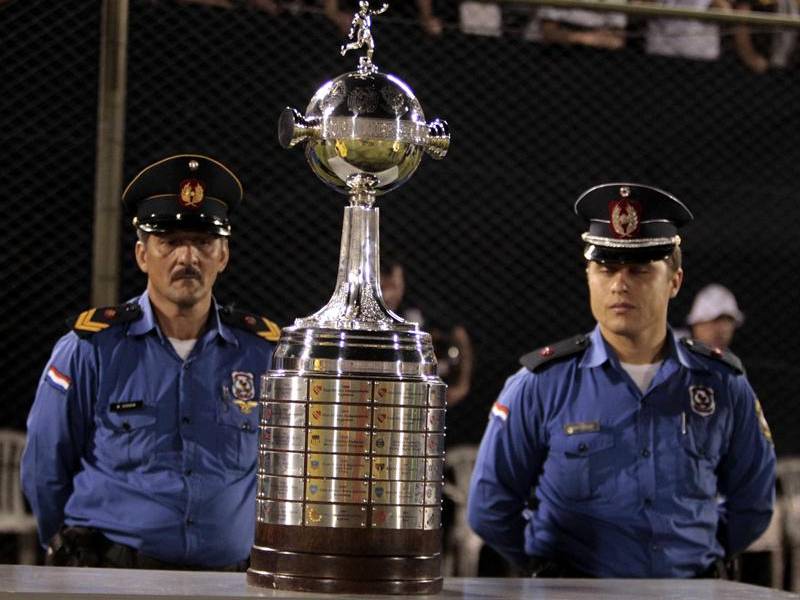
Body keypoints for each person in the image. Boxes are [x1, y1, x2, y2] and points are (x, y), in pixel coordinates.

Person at [467, 183, 776, 578]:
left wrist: (694, 556)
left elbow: (754, 502)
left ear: (675, 282)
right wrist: (548, 568)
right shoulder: (540, 384)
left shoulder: (722, 384)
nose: (619, 284)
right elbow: (490, 506)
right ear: (588, 275)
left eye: (639, 270)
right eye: (606, 268)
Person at [21, 154, 280, 570]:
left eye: (201, 242)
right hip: (111, 577)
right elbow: (44, 466)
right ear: (143, 254)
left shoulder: (262, 355)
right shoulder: (91, 349)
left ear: (223, 255)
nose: (187, 258)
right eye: (170, 241)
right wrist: (66, 549)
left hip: (228, 580)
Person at [380, 255, 473, 407]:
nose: (393, 293)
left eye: (397, 285)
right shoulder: (361, 314)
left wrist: (462, 385)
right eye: (387, 287)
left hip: (423, 396)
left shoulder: (416, 307)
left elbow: (459, 333)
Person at [686, 283, 744, 350]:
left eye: (729, 321)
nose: (723, 329)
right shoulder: (675, 349)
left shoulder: (731, 359)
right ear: (696, 324)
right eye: (715, 321)